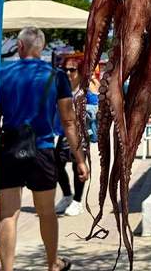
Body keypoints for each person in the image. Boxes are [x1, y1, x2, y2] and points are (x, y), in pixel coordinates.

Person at [0, 27, 89, 271]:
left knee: (8, 214)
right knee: (47, 212)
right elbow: (68, 121)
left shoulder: (1, 73)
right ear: (42, 47)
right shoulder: (56, 76)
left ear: (20, 46)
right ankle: (52, 264)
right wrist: (79, 159)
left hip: (9, 149)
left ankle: (7, 269)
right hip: (43, 150)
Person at [53, 55, 87, 217]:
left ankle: (77, 202)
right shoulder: (59, 89)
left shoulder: (84, 92)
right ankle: (67, 195)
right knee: (56, 165)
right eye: (64, 69)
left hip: (80, 135)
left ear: (80, 71)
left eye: (72, 70)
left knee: (77, 167)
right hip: (62, 134)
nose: (67, 73)